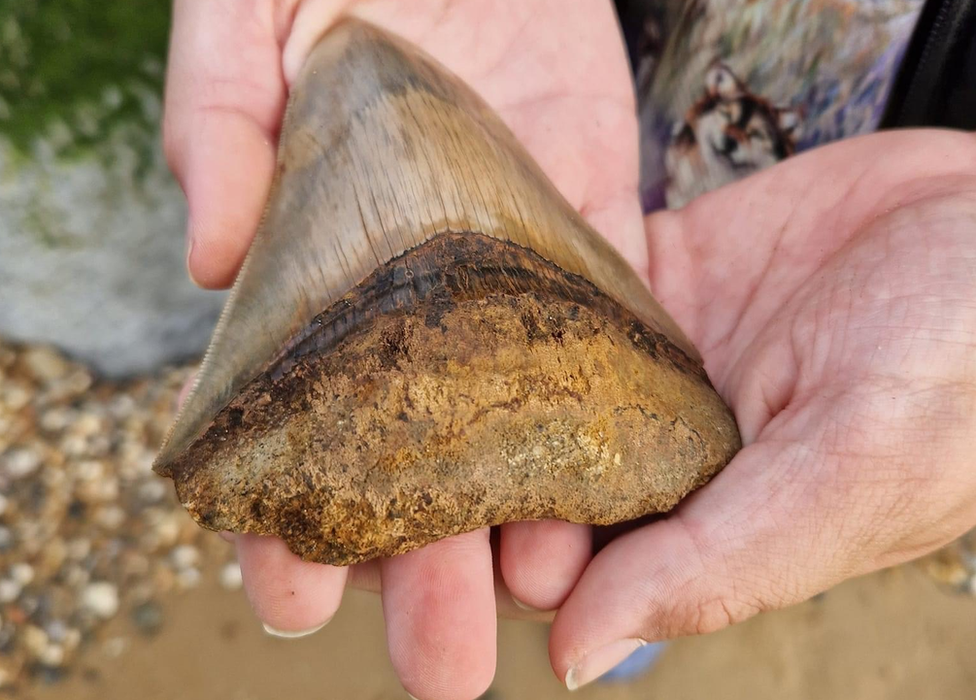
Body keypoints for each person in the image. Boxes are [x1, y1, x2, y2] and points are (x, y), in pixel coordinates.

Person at [162, 1, 976, 698]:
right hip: (611, 76)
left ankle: (626, 622)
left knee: (660, 538)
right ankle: (624, 623)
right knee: (648, 542)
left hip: (835, 179)